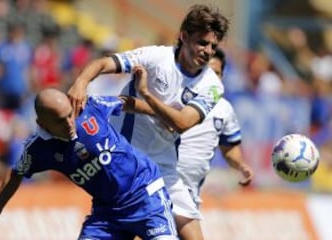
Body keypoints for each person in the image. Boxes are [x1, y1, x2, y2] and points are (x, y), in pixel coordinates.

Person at [68, 4, 230, 239]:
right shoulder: (155, 57)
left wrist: (145, 94)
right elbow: (104, 63)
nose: (207, 51)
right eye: (202, 42)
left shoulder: (213, 86)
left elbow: (183, 122)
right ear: (184, 36)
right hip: (125, 163)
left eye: (213, 47)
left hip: (164, 169)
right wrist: (81, 82)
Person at [0, 88, 178, 240]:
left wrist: (159, 114)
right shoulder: (38, 150)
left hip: (145, 195)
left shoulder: (90, 107)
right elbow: (15, 173)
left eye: (69, 115)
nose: (69, 123)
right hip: (107, 214)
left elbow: (124, 102)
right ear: (42, 124)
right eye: (59, 120)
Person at [177, 48, 254, 207]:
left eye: (216, 73)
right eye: (207, 72)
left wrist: (241, 166)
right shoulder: (176, 98)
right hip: (164, 180)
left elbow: (229, 148)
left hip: (191, 192)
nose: (211, 77)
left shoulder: (224, 109)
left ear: (222, 76)